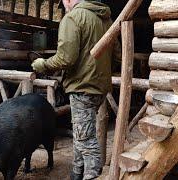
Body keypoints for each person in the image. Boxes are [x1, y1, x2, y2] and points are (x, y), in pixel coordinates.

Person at [31, 0, 117, 179]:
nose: (64, 5)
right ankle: (76, 174)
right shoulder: (106, 19)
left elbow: (66, 58)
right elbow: (116, 54)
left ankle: (93, 175)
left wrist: (43, 64)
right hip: (100, 88)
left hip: (82, 87)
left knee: (86, 139)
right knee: (81, 133)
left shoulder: (72, 18)